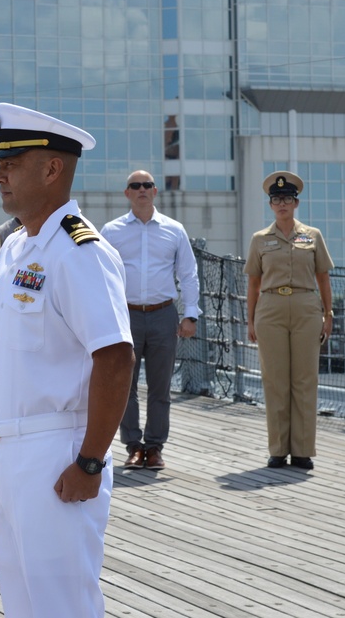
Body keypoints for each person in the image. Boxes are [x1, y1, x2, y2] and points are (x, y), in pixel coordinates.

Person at [0, 103, 134, 617]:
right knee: (24, 604)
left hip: (58, 453)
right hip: (8, 452)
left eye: (11, 163)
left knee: (62, 605)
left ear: (52, 169)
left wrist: (91, 461)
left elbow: (116, 358)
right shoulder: (17, 246)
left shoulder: (80, 251)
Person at [101, 170, 201, 470]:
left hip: (163, 315)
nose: (142, 189)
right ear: (127, 193)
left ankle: (155, 448)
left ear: (155, 192)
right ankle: (132, 446)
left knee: (161, 387)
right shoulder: (111, 231)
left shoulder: (174, 230)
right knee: (124, 386)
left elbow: (188, 274)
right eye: (135, 185)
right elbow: (99, 274)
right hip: (125, 315)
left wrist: (191, 314)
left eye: (147, 185)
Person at [244, 171, 334, 470]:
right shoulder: (260, 239)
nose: (281, 204)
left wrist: (328, 313)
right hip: (270, 308)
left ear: (296, 203)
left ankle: (303, 450)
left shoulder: (312, 236)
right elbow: (254, 283)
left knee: (305, 379)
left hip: (307, 306)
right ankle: (278, 449)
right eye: (276, 200)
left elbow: (323, 277)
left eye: (287, 199)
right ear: (271, 205)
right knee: (275, 380)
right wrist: (251, 320)